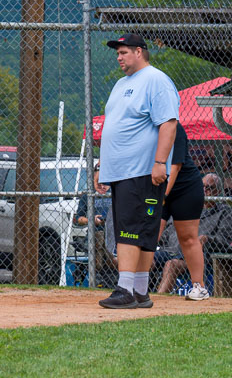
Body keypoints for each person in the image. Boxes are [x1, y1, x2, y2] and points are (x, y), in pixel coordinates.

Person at [95, 33, 179, 310]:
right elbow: (115, 126)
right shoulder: (121, 84)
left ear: (140, 52)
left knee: (131, 230)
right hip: (121, 171)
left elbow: (168, 124)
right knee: (138, 230)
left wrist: (159, 163)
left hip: (142, 170)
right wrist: (101, 167)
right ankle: (140, 291)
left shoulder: (156, 80)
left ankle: (125, 289)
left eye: (124, 52)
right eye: (117, 53)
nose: (119, 57)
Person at [150, 123, 209, 299]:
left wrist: (164, 196)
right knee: (150, 235)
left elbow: (175, 166)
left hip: (185, 188)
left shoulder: (175, 128)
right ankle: (136, 285)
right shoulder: (145, 127)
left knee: (188, 238)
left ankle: (199, 287)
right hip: (158, 187)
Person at [157, 173, 230, 297]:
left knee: (172, 265)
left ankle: (158, 299)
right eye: (202, 186)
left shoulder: (224, 212)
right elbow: (167, 231)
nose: (204, 190)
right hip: (169, 250)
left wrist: (207, 239)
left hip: (196, 257)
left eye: (209, 188)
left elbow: (224, 240)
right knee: (146, 258)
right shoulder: (187, 206)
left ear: (217, 192)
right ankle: (115, 264)